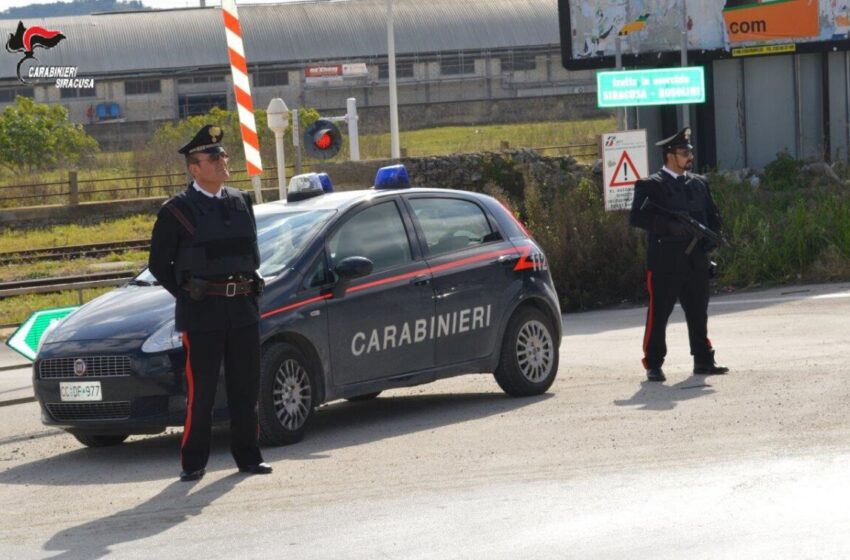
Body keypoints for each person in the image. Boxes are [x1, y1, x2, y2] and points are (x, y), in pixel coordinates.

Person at [148, 124, 272, 481]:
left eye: (223, 155)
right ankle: (193, 461)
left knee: (245, 387)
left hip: (243, 308)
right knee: (201, 391)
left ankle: (248, 456)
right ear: (194, 167)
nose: (222, 161)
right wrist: (189, 293)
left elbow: (251, 253)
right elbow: (159, 264)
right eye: (213, 157)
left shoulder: (240, 200)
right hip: (202, 313)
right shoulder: (177, 210)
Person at [629, 127, 729, 382]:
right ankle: (653, 363)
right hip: (665, 262)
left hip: (696, 259)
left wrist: (712, 239)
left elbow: (713, 215)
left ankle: (703, 359)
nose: (689, 157)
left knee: (699, 312)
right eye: (684, 152)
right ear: (670, 155)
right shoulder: (651, 186)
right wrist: (669, 226)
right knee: (659, 314)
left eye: (690, 152)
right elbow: (638, 217)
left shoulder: (698, 184)